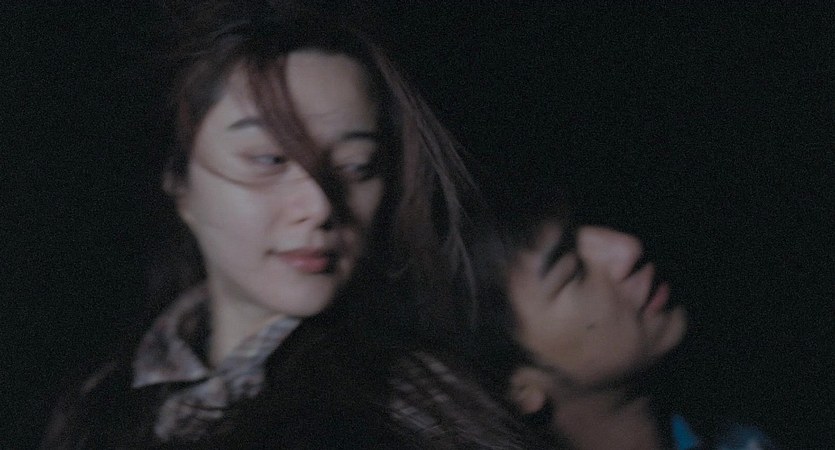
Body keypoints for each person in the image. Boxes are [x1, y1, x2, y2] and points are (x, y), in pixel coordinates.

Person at [40, 3, 554, 448]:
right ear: (180, 180)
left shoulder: (413, 403)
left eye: (356, 166)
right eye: (268, 159)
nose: (320, 204)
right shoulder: (101, 397)